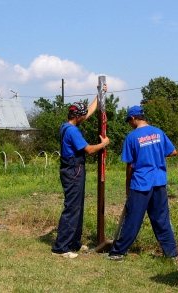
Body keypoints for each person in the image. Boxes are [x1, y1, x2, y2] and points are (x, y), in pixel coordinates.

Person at [108, 105, 178, 261]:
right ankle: (171, 254)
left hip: (140, 184)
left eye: (128, 121)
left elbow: (129, 166)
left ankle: (118, 253)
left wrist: (127, 187)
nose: (129, 124)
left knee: (133, 219)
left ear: (133, 118)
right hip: (159, 182)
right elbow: (173, 151)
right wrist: (157, 155)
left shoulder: (132, 138)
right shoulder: (159, 132)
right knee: (161, 219)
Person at [52, 89, 110, 259]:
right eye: (82, 115)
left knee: (77, 207)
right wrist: (104, 144)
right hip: (73, 170)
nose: (85, 117)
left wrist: (99, 95)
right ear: (77, 116)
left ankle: (74, 243)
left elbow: (89, 112)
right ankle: (61, 248)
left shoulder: (66, 125)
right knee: (72, 208)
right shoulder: (73, 132)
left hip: (72, 169)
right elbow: (90, 150)